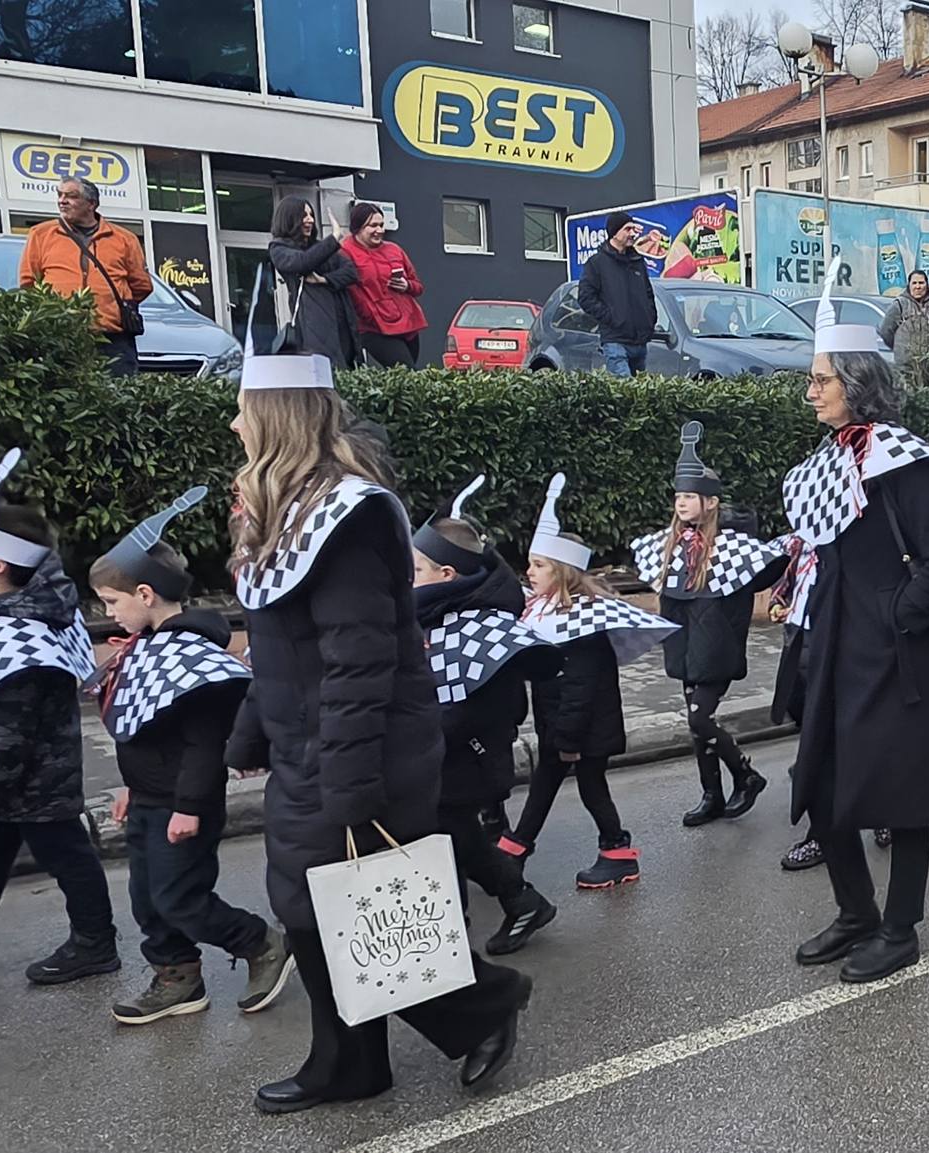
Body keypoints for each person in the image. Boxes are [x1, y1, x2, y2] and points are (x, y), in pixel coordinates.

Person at [224, 354, 528, 1114]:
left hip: (362, 750)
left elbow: (359, 661)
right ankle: (349, 1060)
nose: (232, 424)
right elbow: (281, 644)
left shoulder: (348, 515)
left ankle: (483, 1002)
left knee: (362, 909)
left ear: (277, 418)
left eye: (242, 410)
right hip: (315, 746)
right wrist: (252, 729)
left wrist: (352, 781)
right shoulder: (287, 509)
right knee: (313, 908)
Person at [779, 275, 929, 984]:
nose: (812, 391)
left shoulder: (902, 462)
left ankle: (899, 927)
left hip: (896, 655)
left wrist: (899, 614)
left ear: (857, 383)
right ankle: (855, 909)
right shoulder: (831, 462)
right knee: (821, 783)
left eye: (822, 379)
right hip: (834, 647)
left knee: (902, 791)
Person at [90, 488, 293, 1023]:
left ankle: (260, 943)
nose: (108, 613)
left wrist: (190, 805)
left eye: (112, 602)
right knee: (148, 900)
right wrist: (132, 786)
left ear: (145, 593)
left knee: (181, 897)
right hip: (151, 797)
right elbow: (141, 728)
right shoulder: (147, 647)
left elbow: (205, 745)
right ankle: (177, 976)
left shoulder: (193, 660)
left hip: (184, 802)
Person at [409, 482, 560, 956]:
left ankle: (449, 946)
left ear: (447, 573)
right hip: (439, 753)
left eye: (415, 570)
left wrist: (427, 735)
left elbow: (488, 705)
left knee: (444, 840)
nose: (405, 578)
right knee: (458, 837)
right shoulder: (432, 610)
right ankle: (521, 901)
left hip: (466, 756)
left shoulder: (488, 626)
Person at [0, 451, 116, 985]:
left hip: (32, 778)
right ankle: (94, 939)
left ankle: (94, 942)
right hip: (23, 780)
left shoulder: (24, 635)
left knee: (66, 854)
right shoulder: (24, 613)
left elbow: (7, 731)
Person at [509, 475, 673, 887]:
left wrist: (566, 742)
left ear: (563, 572)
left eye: (539, 565)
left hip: (580, 731)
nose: (529, 572)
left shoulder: (582, 623)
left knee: (578, 788)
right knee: (560, 788)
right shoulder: (544, 611)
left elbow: (580, 689)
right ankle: (527, 852)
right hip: (564, 728)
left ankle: (521, 855)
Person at [630, 423, 789, 827]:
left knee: (701, 718)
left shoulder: (732, 549)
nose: (681, 503)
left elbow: (767, 569)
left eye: (689, 497)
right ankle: (711, 794)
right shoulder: (668, 546)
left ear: (712, 503)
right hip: (684, 646)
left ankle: (746, 775)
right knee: (694, 723)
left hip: (716, 647)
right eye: (678, 496)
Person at [17, 176, 152, 376]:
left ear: (91, 204)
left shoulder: (124, 239)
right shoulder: (41, 234)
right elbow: (28, 284)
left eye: (71, 196)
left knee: (118, 398)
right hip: (58, 337)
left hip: (112, 339)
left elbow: (141, 286)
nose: (62, 201)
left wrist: (110, 307)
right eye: (60, 195)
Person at [267, 196, 360, 368]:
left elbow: (351, 271)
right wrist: (333, 238)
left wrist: (325, 280)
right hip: (313, 322)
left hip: (342, 321)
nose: (310, 220)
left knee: (346, 372)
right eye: (304, 215)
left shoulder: (320, 247)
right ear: (289, 218)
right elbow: (302, 263)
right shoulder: (279, 249)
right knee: (325, 371)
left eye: (311, 215)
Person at [340, 202, 427, 367]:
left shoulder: (394, 249)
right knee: (407, 373)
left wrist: (406, 285)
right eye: (373, 226)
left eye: (381, 225)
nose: (379, 230)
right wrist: (369, 316)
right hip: (375, 328)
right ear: (358, 227)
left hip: (407, 324)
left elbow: (418, 286)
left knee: (407, 380)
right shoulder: (345, 252)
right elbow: (350, 291)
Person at [578, 211, 657, 378]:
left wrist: (650, 319)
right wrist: (612, 318)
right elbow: (586, 298)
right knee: (625, 390)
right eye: (627, 229)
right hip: (615, 340)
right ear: (614, 233)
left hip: (640, 341)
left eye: (633, 229)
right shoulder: (597, 263)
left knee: (640, 395)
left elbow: (648, 294)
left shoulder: (637, 261)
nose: (632, 234)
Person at [878, 269, 929, 383]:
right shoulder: (900, 305)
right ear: (909, 285)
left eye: (921, 283)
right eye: (914, 283)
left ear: (927, 285)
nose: (918, 287)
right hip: (907, 369)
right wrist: (901, 348)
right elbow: (886, 331)